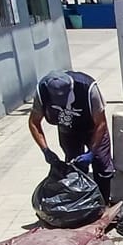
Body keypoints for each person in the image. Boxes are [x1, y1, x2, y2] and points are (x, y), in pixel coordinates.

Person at [28, 70, 115, 204]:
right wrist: (45, 150)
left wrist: (92, 152)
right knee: (75, 166)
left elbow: (101, 123)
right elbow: (34, 122)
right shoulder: (42, 92)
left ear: (71, 88)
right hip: (68, 130)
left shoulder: (88, 88)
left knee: (102, 166)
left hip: (93, 128)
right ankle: (82, 202)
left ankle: (103, 202)